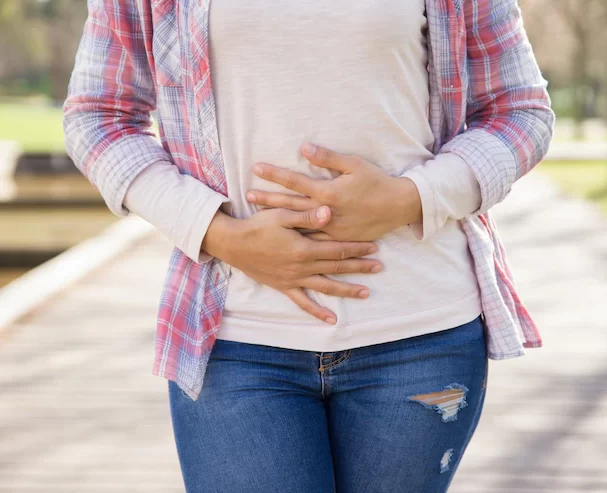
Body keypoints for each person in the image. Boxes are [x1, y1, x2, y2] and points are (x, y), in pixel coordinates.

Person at [63, 0, 554, 491]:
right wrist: (218, 233)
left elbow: (519, 112)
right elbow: (99, 119)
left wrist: (412, 198)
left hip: (420, 336)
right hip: (235, 338)